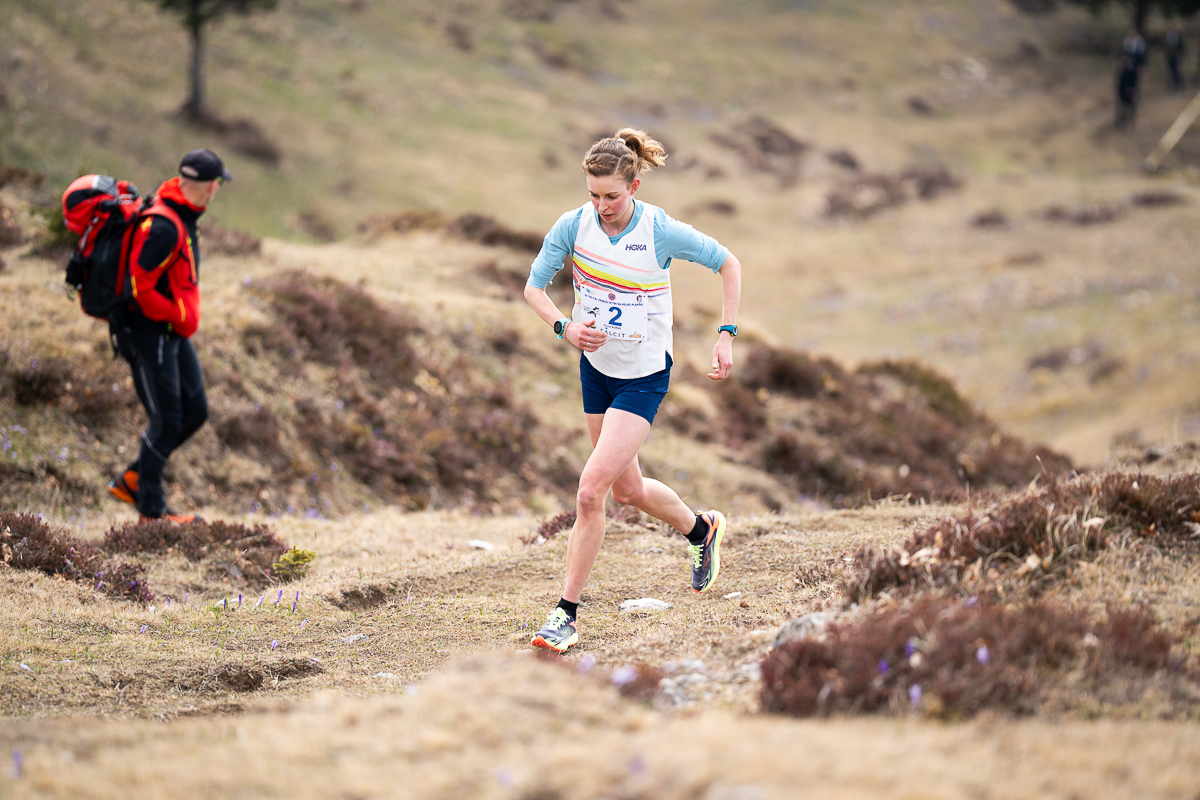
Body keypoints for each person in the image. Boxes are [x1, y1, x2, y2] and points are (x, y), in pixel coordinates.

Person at [522, 128, 742, 653]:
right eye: (594, 195)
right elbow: (534, 287)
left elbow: (728, 264)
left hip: (643, 375)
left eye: (612, 197)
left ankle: (566, 615)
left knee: (589, 490)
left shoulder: (659, 230)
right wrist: (564, 327)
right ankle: (700, 532)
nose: (602, 207)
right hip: (595, 369)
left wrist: (726, 335)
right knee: (626, 490)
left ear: (634, 187)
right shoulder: (573, 226)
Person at [106, 148, 229, 524]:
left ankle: (133, 479)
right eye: (218, 184)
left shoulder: (183, 215)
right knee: (167, 421)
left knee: (195, 411)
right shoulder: (163, 224)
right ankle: (152, 511)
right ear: (209, 186)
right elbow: (138, 286)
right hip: (149, 333)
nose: (217, 190)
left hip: (172, 333)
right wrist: (175, 315)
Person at [1116, 54, 1139, 128]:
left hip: (1130, 93)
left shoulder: (1133, 72)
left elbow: (1135, 83)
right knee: (1122, 108)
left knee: (1130, 108)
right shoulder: (1122, 71)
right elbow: (1120, 83)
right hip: (1123, 93)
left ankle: (1130, 122)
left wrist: (1133, 91)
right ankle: (1121, 121)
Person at [1165, 24, 1185, 93]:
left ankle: (1176, 85)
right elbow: (1166, 49)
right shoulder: (1168, 38)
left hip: (1176, 57)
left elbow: (1182, 48)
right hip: (1170, 58)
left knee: (1176, 71)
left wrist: (1180, 56)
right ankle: (1170, 85)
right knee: (1170, 71)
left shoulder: (1179, 38)